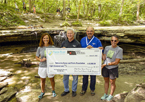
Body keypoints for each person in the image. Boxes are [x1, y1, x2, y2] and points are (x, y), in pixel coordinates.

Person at [80, 26, 103, 96]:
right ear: (86, 32)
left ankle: (92, 89)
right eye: (88, 31)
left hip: (93, 62)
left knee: (93, 77)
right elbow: (79, 50)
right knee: (85, 77)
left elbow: (101, 50)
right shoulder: (83, 40)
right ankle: (84, 89)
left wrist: (94, 49)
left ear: (93, 32)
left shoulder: (97, 40)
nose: (89, 32)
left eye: (91, 31)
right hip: (84, 62)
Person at [101, 35, 123, 101]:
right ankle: (105, 94)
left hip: (113, 68)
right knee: (106, 81)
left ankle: (111, 95)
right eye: (112, 40)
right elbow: (104, 58)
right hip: (105, 68)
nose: (113, 42)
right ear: (110, 41)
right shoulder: (107, 47)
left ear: (118, 41)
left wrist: (106, 64)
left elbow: (117, 62)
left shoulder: (119, 50)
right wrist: (100, 51)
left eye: (115, 40)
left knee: (112, 82)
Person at [61, 28, 81, 97]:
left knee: (75, 78)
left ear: (73, 34)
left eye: (71, 33)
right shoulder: (64, 43)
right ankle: (66, 90)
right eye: (68, 33)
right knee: (65, 78)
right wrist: (62, 50)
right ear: (66, 34)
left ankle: (74, 90)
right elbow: (60, 54)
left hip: (74, 64)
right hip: (66, 64)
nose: (69, 34)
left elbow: (80, 54)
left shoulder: (77, 43)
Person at [36, 33, 57, 99]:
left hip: (50, 66)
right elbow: (36, 57)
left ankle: (53, 91)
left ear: (49, 39)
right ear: (42, 39)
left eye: (47, 38)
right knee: (42, 80)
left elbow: (57, 55)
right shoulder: (40, 48)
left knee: (52, 79)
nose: (45, 39)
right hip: (42, 66)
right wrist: (41, 60)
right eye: (44, 38)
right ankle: (42, 92)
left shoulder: (52, 47)